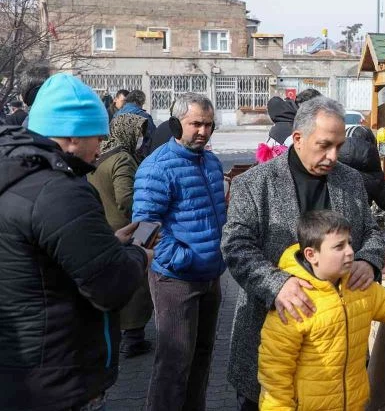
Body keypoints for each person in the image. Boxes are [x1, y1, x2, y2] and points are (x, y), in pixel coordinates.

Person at [222, 96, 385, 410]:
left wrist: (369, 260)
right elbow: (235, 246)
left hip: (336, 354)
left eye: (338, 146)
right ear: (297, 138)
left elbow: (372, 232)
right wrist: (277, 284)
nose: (333, 156)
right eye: (324, 145)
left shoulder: (350, 180)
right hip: (272, 340)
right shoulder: (255, 184)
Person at [0, 73, 150, 411]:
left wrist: (103, 243)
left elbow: (40, 258)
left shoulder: (16, 173)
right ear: (70, 136)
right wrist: (137, 256)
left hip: (21, 371)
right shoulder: (60, 191)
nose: (100, 146)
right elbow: (111, 286)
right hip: (57, 378)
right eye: (97, 136)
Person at [258, 210, 385, 410]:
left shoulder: (360, 289)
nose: (350, 251)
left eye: (349, 243)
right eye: (339, 246)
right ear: (312, 255)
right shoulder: (294, 302)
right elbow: (275, 376)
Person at [133, 92, 226, 411]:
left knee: (202, 359)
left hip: (211, 276)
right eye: (196, 124)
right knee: (173, 365)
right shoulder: (156, 167)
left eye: (209, 125)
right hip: (175, 280)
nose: (203, 131)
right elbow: (144, 228)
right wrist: (183, 258)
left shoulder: (212, 162)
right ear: (175, 125)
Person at [88, 113, 154, 358]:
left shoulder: (98, 156)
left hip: (101, 226)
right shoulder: (122, 159)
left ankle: (118, 335)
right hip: (124, 228)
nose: (141, 139)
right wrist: (143, 216)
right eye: (138, 133)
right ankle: (133, 337)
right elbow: (126, 197)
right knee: (135, 284)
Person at [114, 89, 156, 156]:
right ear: (139, 102)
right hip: (138, 157)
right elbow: (153, 137)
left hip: (117, 155)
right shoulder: (144, 116)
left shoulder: (116, 114)